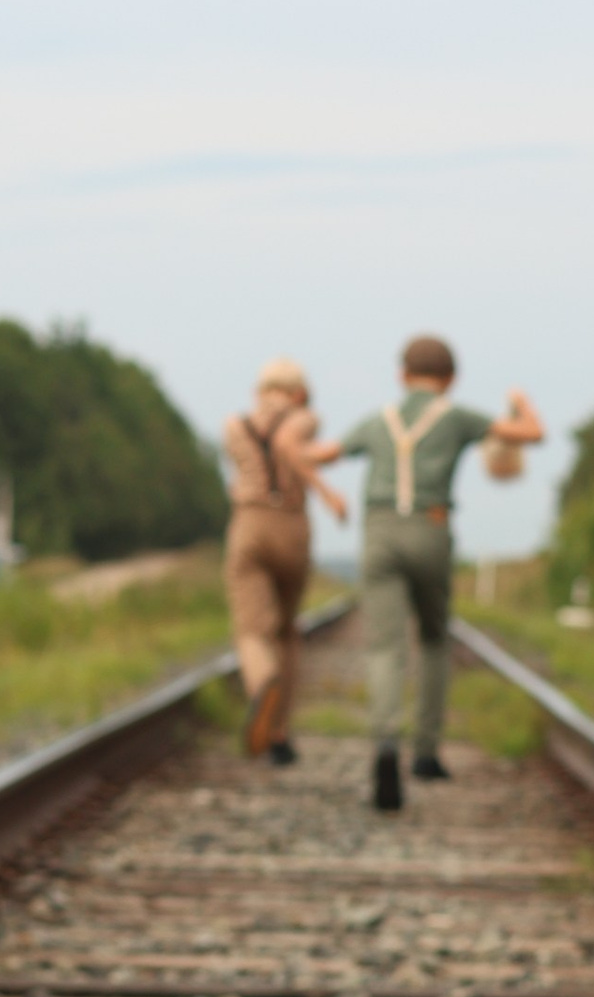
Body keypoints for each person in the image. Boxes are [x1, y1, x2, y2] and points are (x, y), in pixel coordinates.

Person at [325, 338, 544, 810]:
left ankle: (385, 740)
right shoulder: (457, 417)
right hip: (431, 529)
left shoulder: (377, 420)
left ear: (403, 375)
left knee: (385, 647)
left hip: (379, 533)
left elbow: (326, 453)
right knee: (432, 638)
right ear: (451, 379)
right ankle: (425, 751)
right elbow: (532, 433)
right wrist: (522, 402)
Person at [222, 357, 347, 762]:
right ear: (299, 392)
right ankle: (279, 732)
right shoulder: (305, 419)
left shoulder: (233, 425)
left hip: (249, 524)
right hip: (292, 526)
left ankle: (262, 682)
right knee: (286, 632)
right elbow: (287, 443)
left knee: (252, 630)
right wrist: (326, 490)